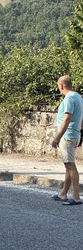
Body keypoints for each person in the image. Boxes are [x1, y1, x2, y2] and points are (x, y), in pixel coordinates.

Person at [51, 75, 83, 206]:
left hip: (67, 135)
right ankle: (63, 193)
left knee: (70, 165)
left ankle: (76, 197)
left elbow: (67, 119)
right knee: (67, 165)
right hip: (74, 134)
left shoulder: (69, 99)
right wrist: (81, 133)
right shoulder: (78, 97)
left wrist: (57, 137)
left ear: (61, 86)